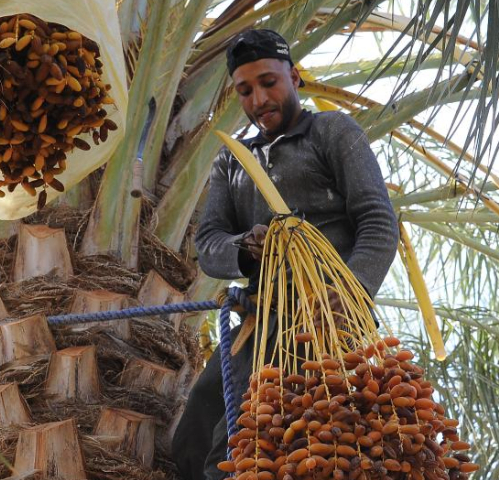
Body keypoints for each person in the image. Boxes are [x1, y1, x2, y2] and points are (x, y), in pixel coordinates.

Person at [171, 29, 399, 480]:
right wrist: (246, 249)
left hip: (323, 323)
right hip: (258, 323)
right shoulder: (233, 160)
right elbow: (210, 245)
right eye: (245, 91)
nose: (258, 99)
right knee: (192, 435)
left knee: (240, 449)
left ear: (294, 77)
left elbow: (377, 220)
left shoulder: (332, 132)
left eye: (268, 82)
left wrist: (348, 293)